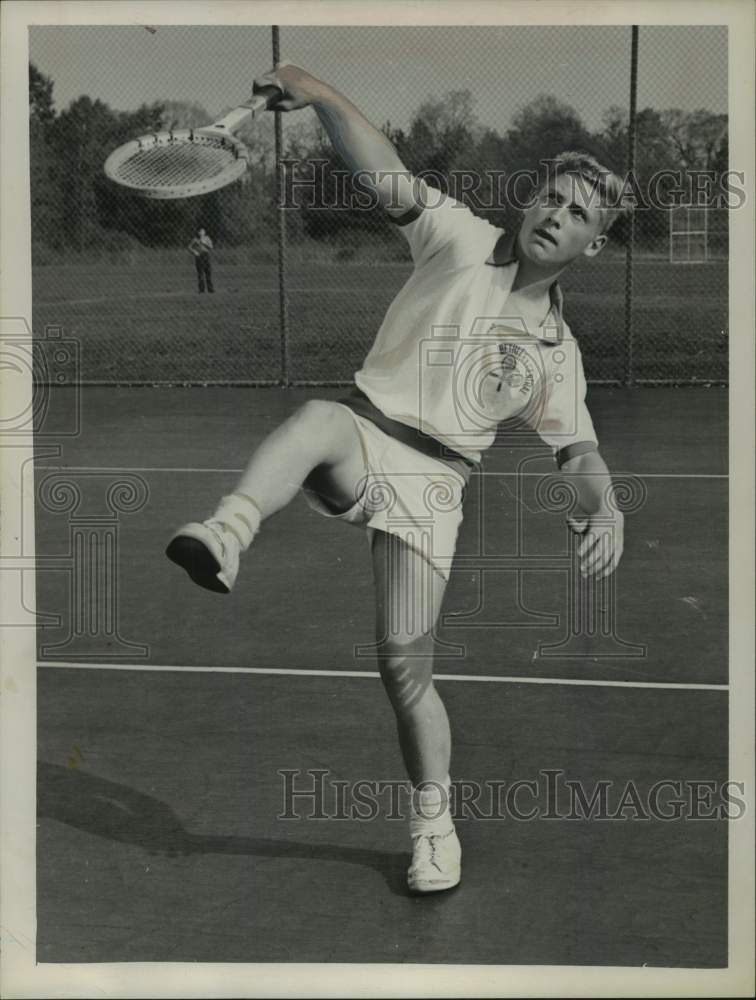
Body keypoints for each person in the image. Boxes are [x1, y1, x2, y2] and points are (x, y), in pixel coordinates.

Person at [166, 64, 630, 895]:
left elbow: (580, 456)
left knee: (404, 669)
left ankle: (433, 827)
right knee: (316, 418)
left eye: (578, 215)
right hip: (366, 433)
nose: (557, 216)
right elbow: (383, 171)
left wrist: (607, 509)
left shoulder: (558, 355)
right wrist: (322, 95)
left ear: (592, 246)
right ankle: (228, 534)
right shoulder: (457, 236)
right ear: (531, 204)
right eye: (552, 199)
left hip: (435, 489)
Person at [187, 227, 214, 293]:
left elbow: (211, 247)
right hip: (199, 256)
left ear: (204, 232)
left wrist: (203, 242)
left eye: (202, 231)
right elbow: (189, 247)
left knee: (208, 273)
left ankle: (210, 289)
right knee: (200, 274)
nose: (200, 232)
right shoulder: (195, 239)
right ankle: (201, 290)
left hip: (206, 256)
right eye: (199, 231)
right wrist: (194, 252)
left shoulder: (207, 238)